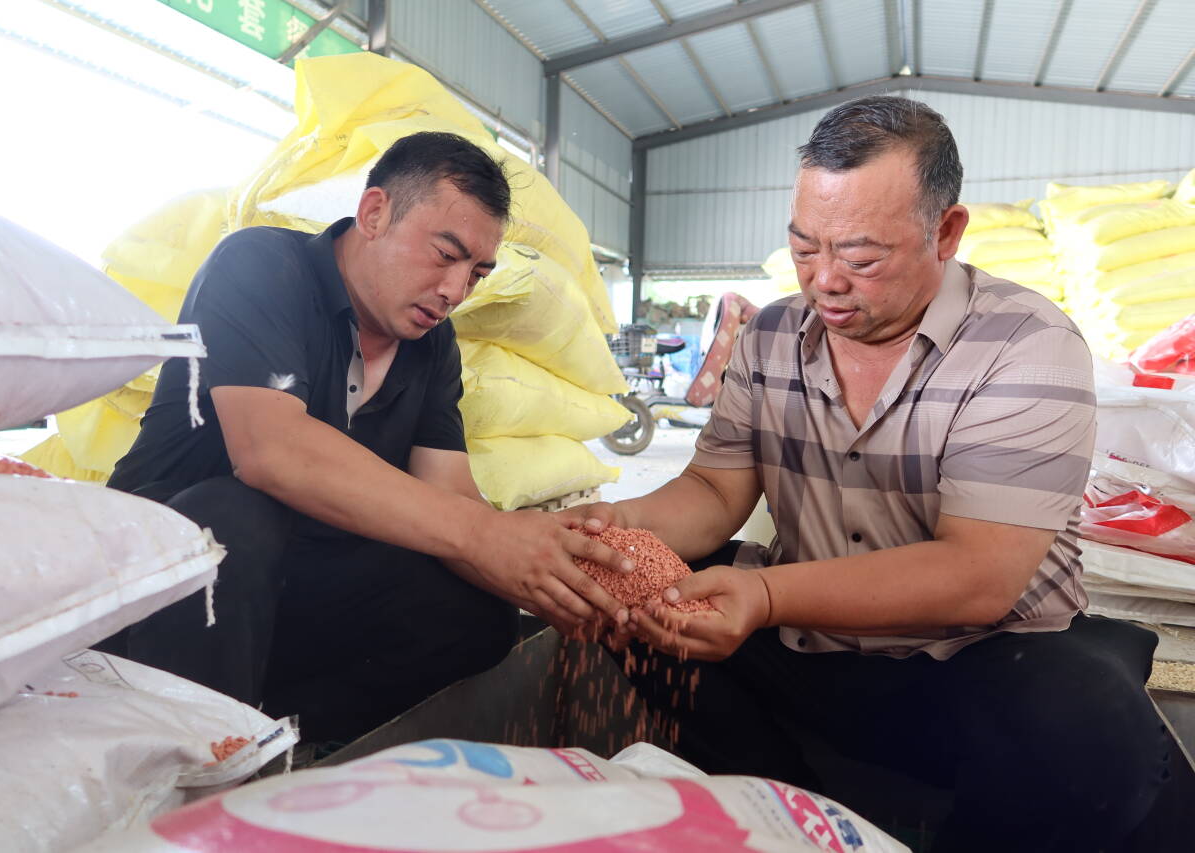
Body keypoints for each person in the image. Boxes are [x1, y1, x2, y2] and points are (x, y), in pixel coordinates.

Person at [565, 97, 1169, 851]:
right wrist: (613, 526)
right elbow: (716, 492)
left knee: (1085, 724)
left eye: (860, 257)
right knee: (638, 594)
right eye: (804, 249)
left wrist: (764, 593)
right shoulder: (772, 337)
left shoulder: (1025, 345)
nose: (825, 282)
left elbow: (978, 574)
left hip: (977, 664)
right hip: (812, 650)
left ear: (945, 232)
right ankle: (786, 816)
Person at [101, 131, 632, 745]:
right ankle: (194, 761)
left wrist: (556, 577)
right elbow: (273, 452)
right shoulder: (261, 267)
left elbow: (451, 497)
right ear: (375, 212)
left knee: (474, 616)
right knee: (230, 520)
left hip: (291, 589)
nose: (456, 292)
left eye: (478, 273)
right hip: (170, 588)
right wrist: (487, 535)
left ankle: (290, 743)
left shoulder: (432, 348)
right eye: (445, 254)